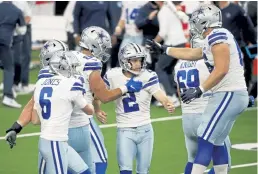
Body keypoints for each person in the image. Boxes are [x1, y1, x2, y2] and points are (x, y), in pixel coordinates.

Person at [146, 4, 249, 174]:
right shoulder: (214, 37)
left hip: (228, 93)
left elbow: (221, 69)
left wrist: (200, 89)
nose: (194, 24)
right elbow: (194, 54)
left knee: (206, 136)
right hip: (228, 94)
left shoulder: (218, 35)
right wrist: (165, 49)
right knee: (215, 141)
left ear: (205, 21)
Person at [104, 42, 175, 174]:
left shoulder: (148, 75)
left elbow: (158, 93)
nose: (138, 64)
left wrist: (166, 102)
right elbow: (100, 95)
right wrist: (97, 108)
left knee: (143, 171)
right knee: (125, 171)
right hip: (125, 130)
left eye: (140, 60)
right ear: (124, 60)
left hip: (145, 129)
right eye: (134, 60)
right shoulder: (113, 75)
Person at [174, 31, 231, 174]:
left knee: (192, 160)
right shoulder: (207, 63)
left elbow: (180, 93)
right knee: (224, 164)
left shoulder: (179, 65)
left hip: (187, 118)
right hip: (206, 116)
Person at [33, 51, 94, 174]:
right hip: (55, 142)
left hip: (49, 141)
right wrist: (89, 97)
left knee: (84, 171)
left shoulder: (40, 83)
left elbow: (35, 120)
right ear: (63, 67)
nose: (74, 71)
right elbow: (89, 111)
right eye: (72, 67)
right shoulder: (71, 84)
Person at [0, 1, 27, 108]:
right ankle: (8, 96)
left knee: (5, 64)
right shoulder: (17, 10)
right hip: (4, 41)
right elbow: (22, 30)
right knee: (9, 68)